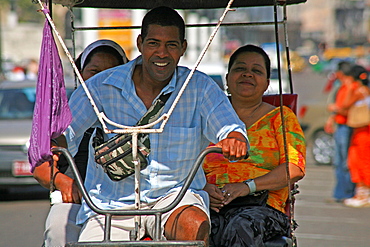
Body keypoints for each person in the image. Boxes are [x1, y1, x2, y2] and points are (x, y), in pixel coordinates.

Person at [45, 6, 248, 245]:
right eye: (154, 43)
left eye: (171, 45)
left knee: (193, 225)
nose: (162, 53)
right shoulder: (101, 87)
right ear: (140, 43)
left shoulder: (200, 87)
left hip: (175, 199)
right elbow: (65, 132)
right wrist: (51, 146)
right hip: (110, 204)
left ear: (183, 48)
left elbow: (229, 127)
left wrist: (235, 138)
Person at [202, 44, 306, 246]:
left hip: (262, 208)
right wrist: (203, 188)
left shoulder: (281, 118)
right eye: (240, 69)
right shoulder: (206, 116)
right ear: (227, 78)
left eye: (256, 71)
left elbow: (295, 169)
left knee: (241, 225)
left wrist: (246, 187)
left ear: (267, 84)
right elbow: (182, 162)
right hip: (207, 201)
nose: (247, 75)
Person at [32, 39, 128, 247]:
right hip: (79, 200)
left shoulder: (135, 112)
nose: (102, 78)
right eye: (94, 71)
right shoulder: (66, 116)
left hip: (126, 199)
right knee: (58, 228)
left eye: (112, 71)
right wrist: (62, 182)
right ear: (80, 73)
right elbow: (41, 166)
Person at [333, 65, 370, 207]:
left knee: (362, 162)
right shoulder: (364, 90)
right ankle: (361, 192)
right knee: (354, 161)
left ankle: (364, 194)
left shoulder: (359, 91)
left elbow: (344, 105)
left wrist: (348, 87)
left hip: (363, 132)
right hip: (359, 131)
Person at [325, 61, 356, 202]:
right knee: (338, 162)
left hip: (347, 127)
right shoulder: (342, 87)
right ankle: (340, 193)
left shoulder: (351, 87)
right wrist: (331, 119)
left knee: (344, 162)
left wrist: (335, 108)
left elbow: (345, 106)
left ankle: (346, 193)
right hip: (340, 126)